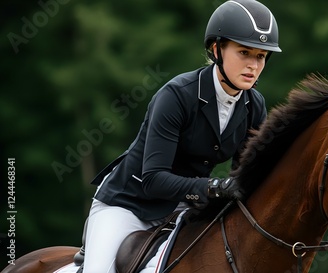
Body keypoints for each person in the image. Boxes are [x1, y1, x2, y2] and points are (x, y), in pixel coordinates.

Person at [81, 0, 281, 272]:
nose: (253, 65)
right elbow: (152, 179)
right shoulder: (176, 96)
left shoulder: (253, 105)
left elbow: (246, 177)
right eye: (244, 52)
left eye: (260, 56)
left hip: (183, 211)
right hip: (129, 205)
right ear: (217, 49)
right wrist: (212, 188)